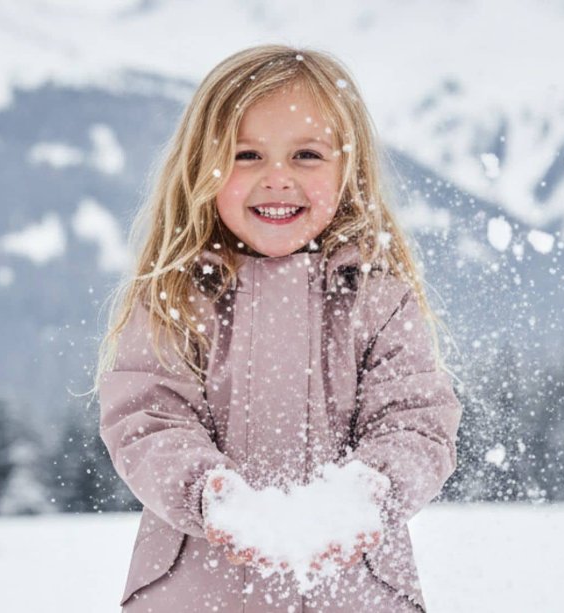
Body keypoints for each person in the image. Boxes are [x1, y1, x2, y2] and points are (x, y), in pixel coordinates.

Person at [97, 45, 461, 612]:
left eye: (307, 155)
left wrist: (372, 490)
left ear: (349, 169)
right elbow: (148, 418)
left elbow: (414, 421)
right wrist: (209, 493)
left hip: (354, 591)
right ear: (203, 167)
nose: (277, 178)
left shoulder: (377, 298)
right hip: (197, 592)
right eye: (246, 155)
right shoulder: (176, 296)